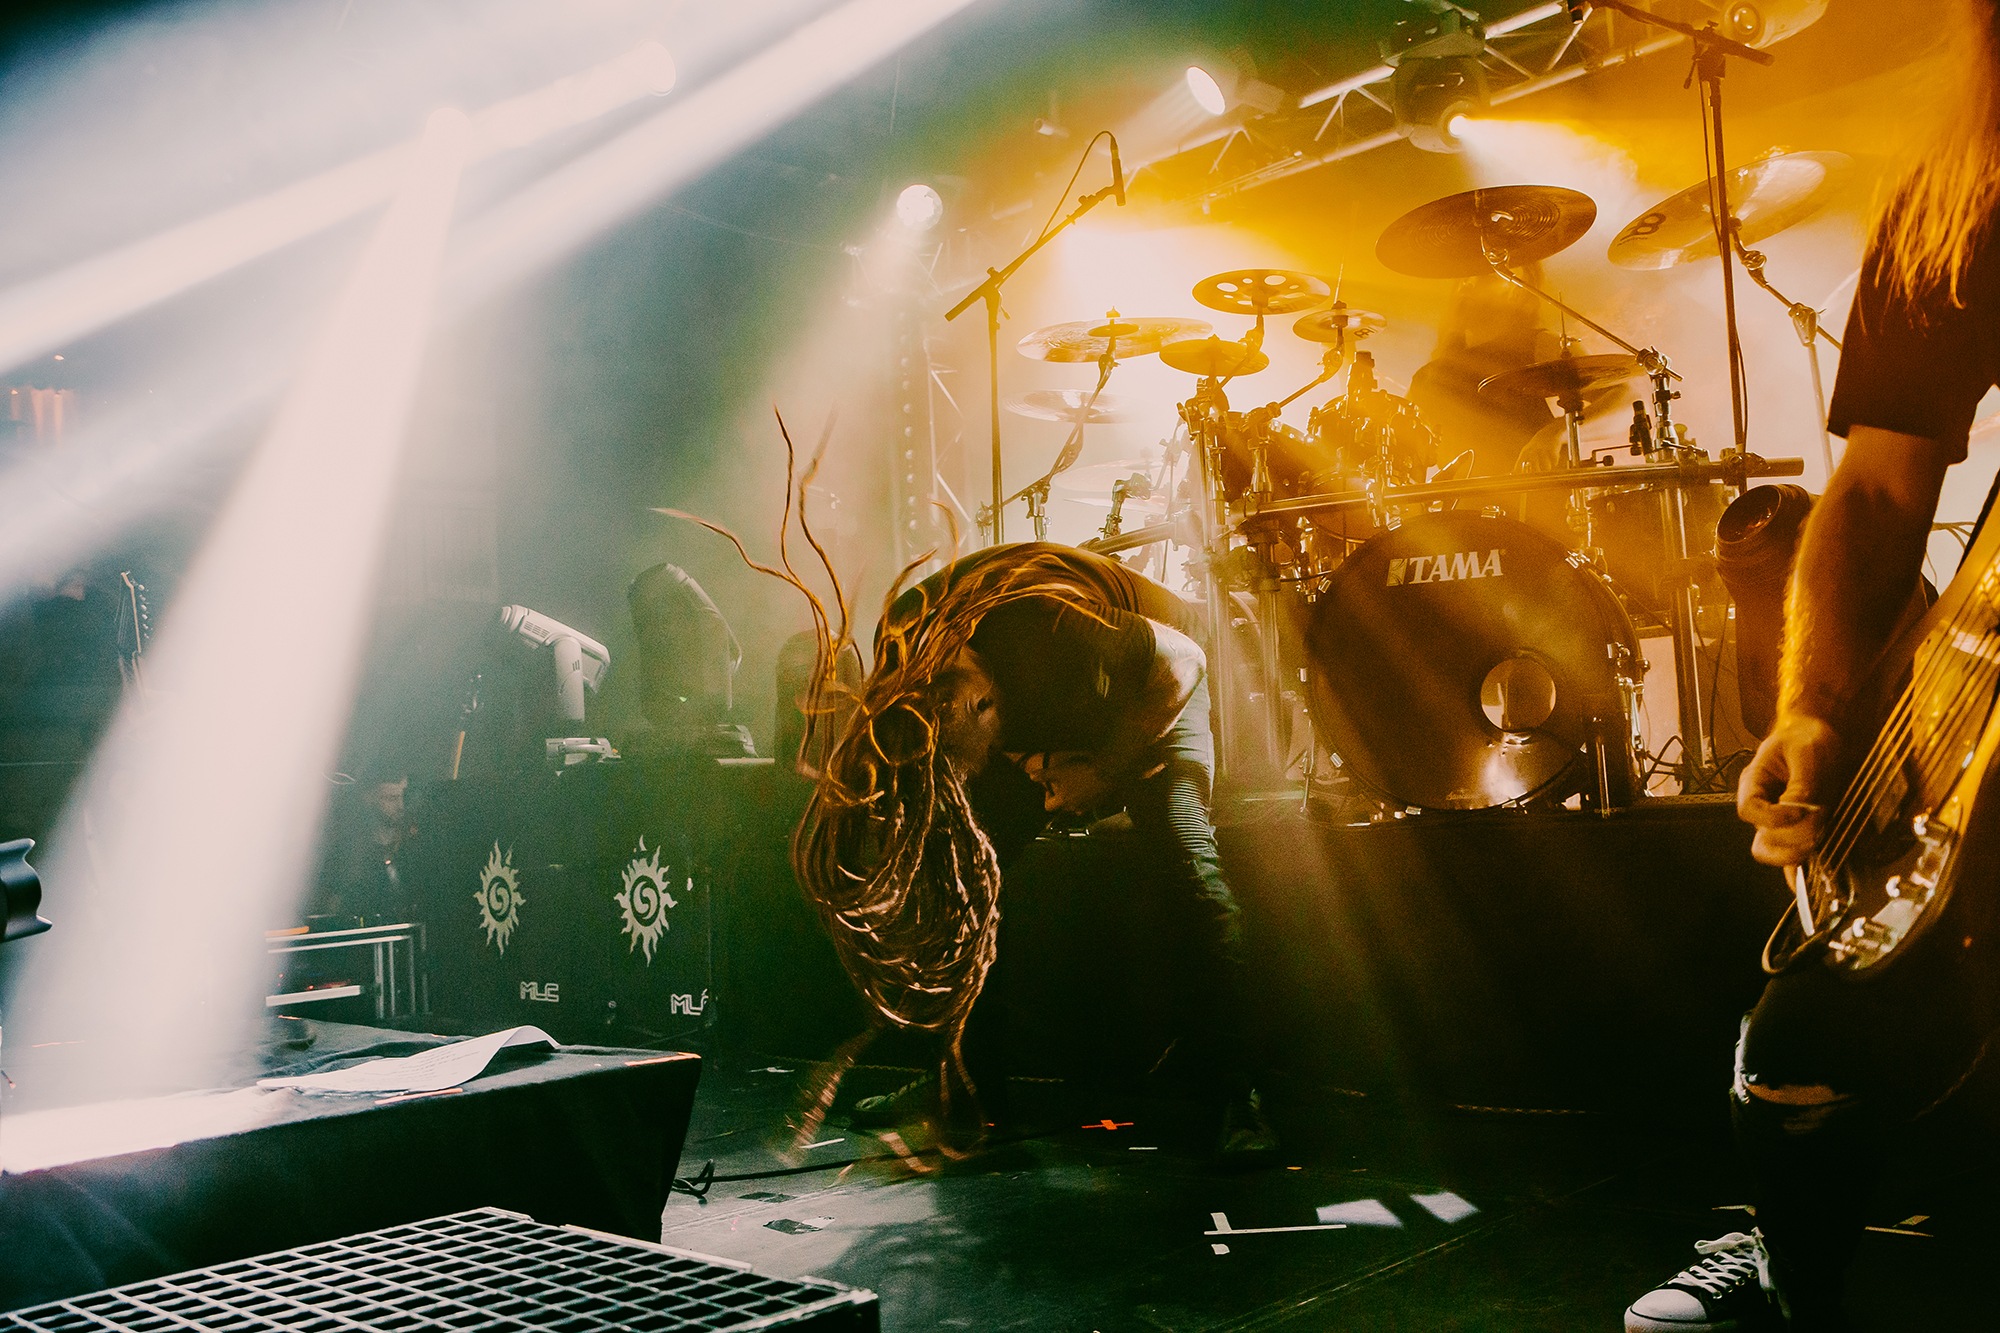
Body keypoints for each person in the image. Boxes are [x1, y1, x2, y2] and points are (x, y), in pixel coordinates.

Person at [1625, 5, 2000, 1328]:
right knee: (1800, 1044)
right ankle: (1795, 1271)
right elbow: (1882, 487)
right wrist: (1811, 708)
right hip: (1976, 697)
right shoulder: (1958, 192)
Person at [795, 541, 1275, 1157]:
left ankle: (1239, 1092)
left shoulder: (1042, 618)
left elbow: (1183, 663)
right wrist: (1025, 762)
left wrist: (1105, 769)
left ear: (982, 690)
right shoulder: (905, 647)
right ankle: (963, 1086)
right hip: (1033, 691)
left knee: (1189, 872)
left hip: (1151, 681)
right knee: (962, 881)